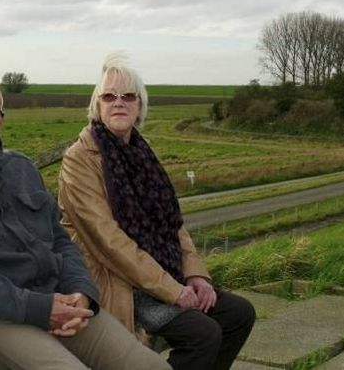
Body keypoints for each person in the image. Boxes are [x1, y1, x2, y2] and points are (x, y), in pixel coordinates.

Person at [0, 78, 169, 370]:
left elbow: (60, 241)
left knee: (152, 366)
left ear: (1, 120)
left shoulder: (21, 168)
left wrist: (82, 293)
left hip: (58, 301)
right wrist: (39, 309)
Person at [58, 55, 256, 370]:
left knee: (238, 314)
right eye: (109, 96)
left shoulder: (142, 151)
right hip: (117, 280)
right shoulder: (80, 160)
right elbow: (107, 240)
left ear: (140, 106)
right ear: (97, 105)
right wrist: (172, 289)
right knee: (202, 335)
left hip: (162, 270)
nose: (118, 103)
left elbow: (171, 222)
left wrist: (195, 274)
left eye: (128, 96)